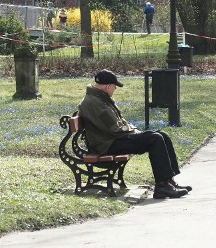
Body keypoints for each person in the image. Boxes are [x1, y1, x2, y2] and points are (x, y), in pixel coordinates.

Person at [78, 69, 191, 199]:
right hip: (107, 144)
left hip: (111, 139)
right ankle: (162, 187)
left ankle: (168, 181)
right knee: (155, 138)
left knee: (162, 135)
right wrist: (135, 132)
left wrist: (135, 131)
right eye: (114, 87)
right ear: (108, 86)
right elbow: (115, 128)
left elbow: (117, 125)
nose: (114, 90)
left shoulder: (99, 98)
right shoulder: (95, 102)